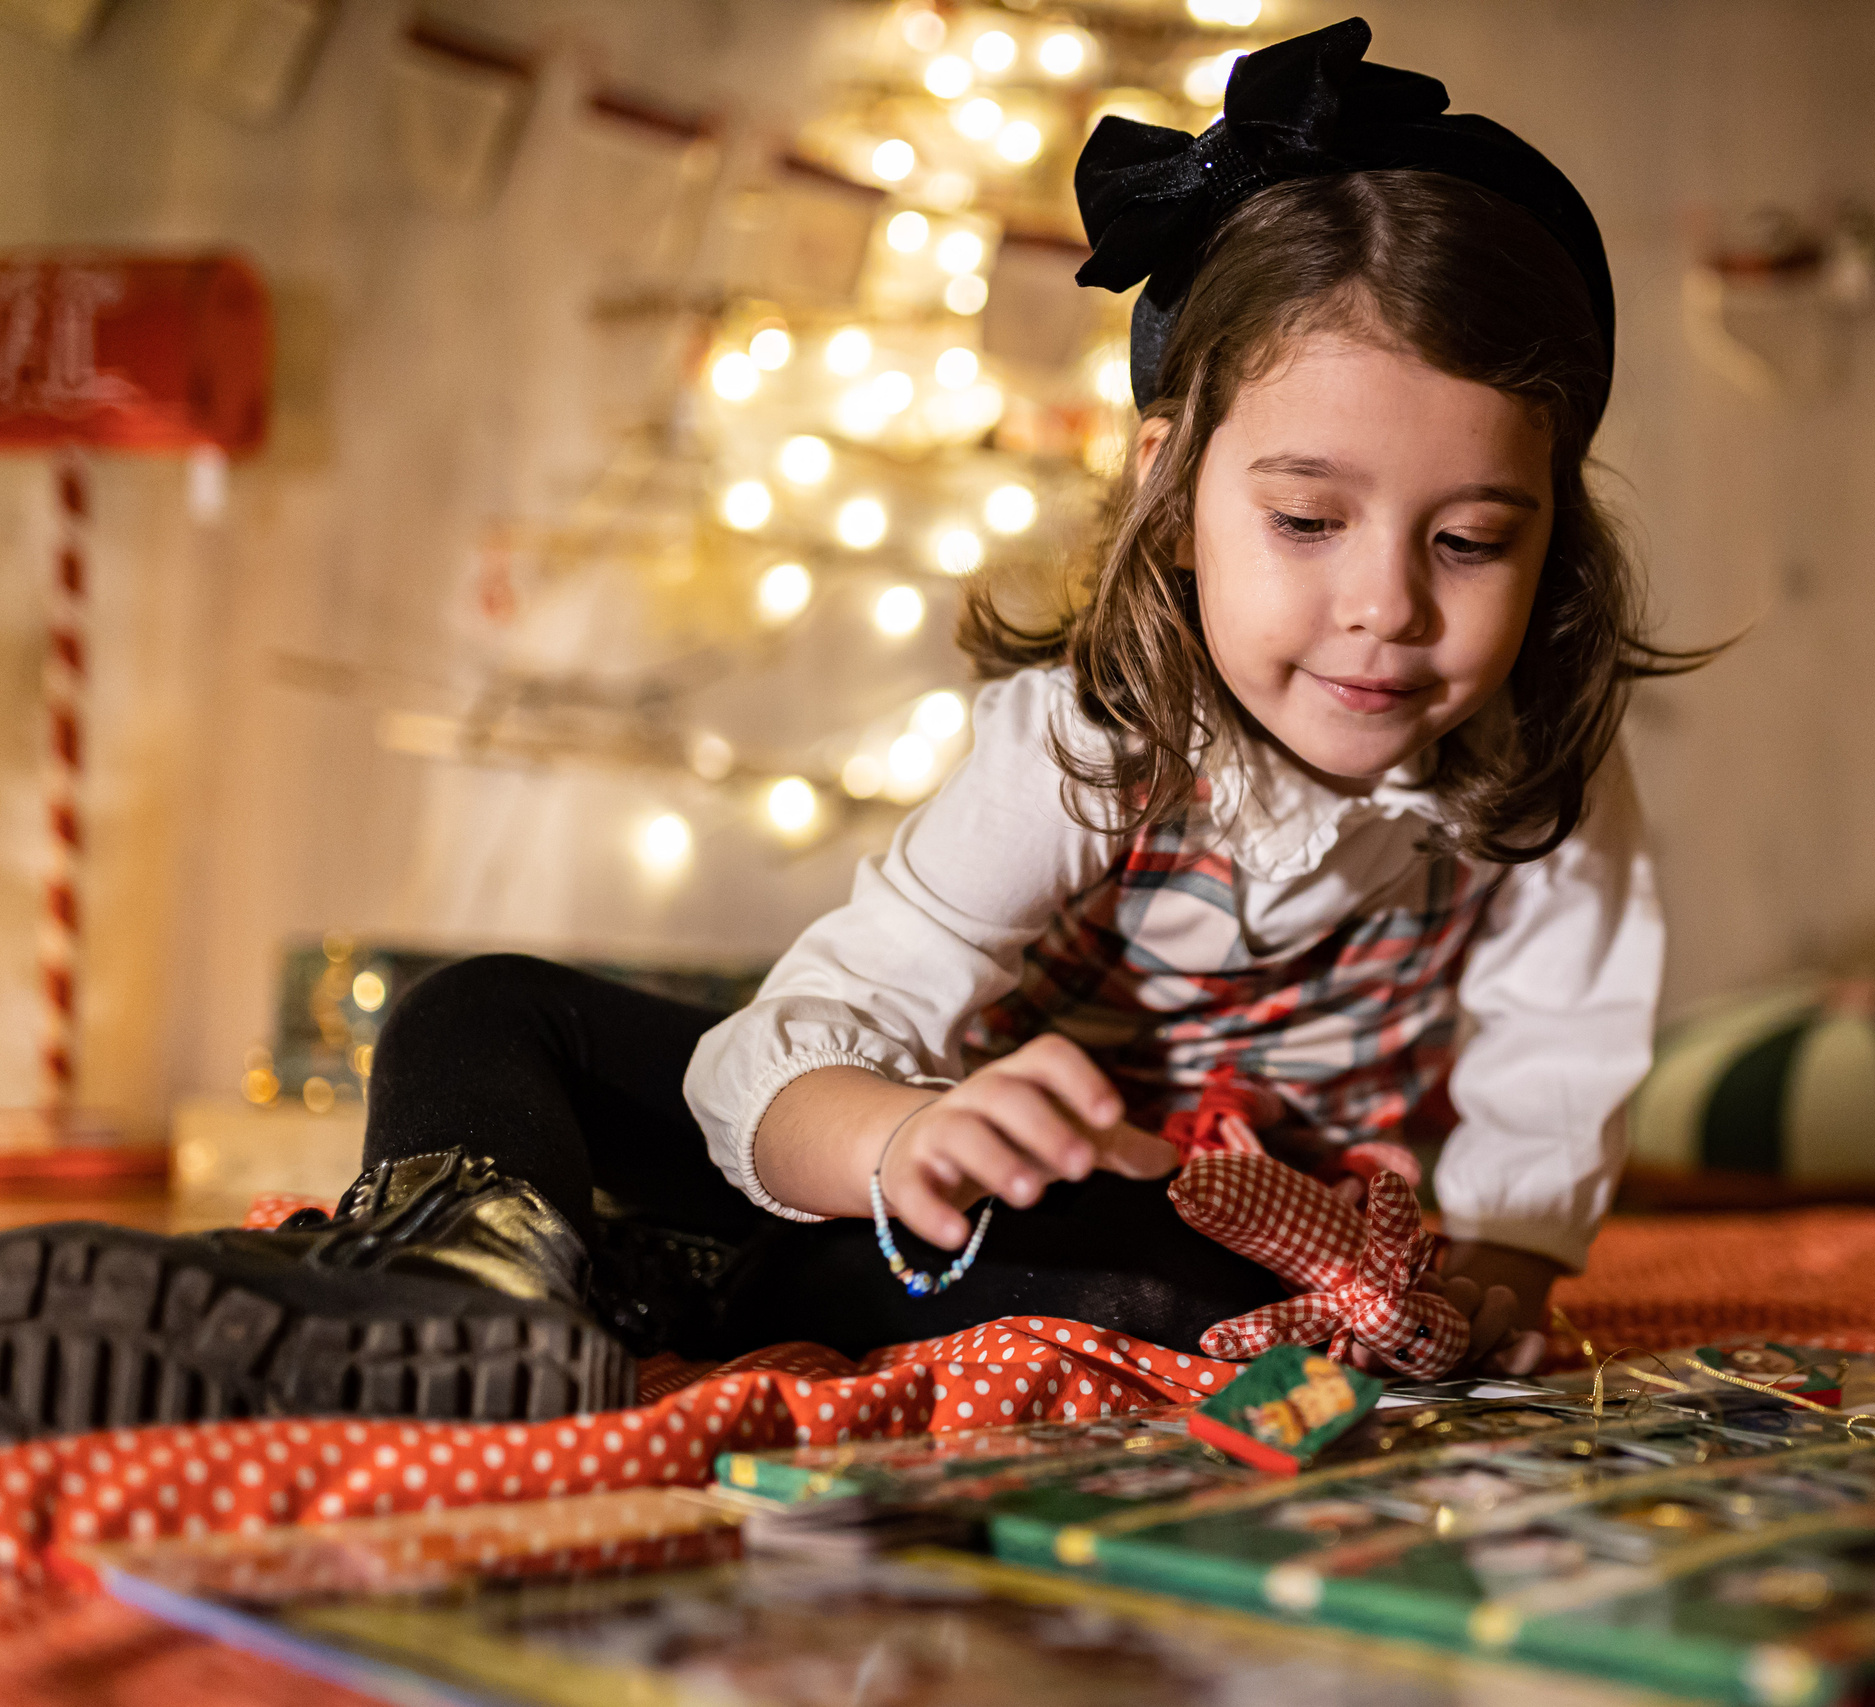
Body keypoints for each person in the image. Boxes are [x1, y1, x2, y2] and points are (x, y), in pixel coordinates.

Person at [0, 18, 1695, 1440]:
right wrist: (904, 1132)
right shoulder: (1089, 743)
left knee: (1153, 1271)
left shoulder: (1538, 769)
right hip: (867, 1143)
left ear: (1552, 529)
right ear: (1169, 484)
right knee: (484, 1009)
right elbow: (791, 1051)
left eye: (1470, 540)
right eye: (1309, 523)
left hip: (1148, 1229)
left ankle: (591, 1288)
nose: (1389, 606)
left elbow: (1559, 1068)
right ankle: (461, 1288)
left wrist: (1501, 1277)